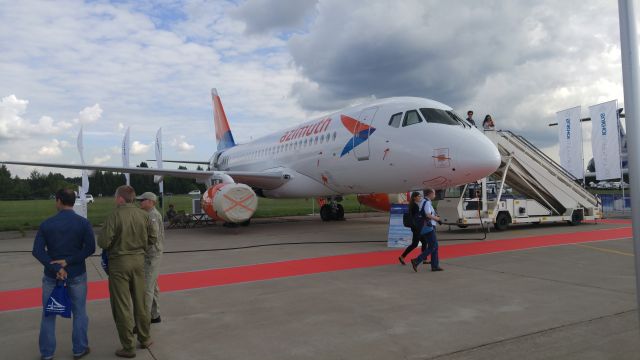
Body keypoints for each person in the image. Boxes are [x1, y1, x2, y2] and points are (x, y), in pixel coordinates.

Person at [32, 188, 95, 360]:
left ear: (59, 200)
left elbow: (37, 251)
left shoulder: (47, 224)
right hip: (76, 274)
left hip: (52, 276)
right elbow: (90, 248)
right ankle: (79, 349)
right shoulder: (83, 223)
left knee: (48, 315)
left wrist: (56, 268)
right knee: (80, 312)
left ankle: (47, 353)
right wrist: (69, 262)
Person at [99, 185, 158, 358]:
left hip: (119, 264)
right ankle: (145, 338)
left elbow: (103, 242)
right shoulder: (144, 215)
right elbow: (153, 238)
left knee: (122, 305)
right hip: (139, 262)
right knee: (140, 301)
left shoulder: (114, 215)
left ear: (120, 198)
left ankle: (128, 346)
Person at [137, 192, 164, 324]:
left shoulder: (152, 215)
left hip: (151, 255)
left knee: (147, 287)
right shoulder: (150, 214)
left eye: (143, 200)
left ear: (151, 201)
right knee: (153, 286)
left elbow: (152, 238)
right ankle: (154, 314)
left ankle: (143, 320)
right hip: (152, 254)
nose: (140, 202)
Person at [410, 189, 444, 272]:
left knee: (434, 246)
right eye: (434, 194)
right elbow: (428, 215)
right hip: (429, 227)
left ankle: (435, 265)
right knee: (433, 246)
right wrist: (437, 218)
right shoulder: (427, 202)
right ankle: (417, 260)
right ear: (430, 194)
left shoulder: (423, 201)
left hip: (425, 226)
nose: (435, 196)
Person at [398, 192, 429, 265]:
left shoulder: (412, 204)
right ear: (414, 197)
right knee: (415, 244)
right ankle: (402, 256)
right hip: (416, 227)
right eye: (418, 196)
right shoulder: (415, 206)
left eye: (420, 196)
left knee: (424, 242)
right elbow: (417, 217)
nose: (420, 198)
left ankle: (424, 259)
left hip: (415, 227)